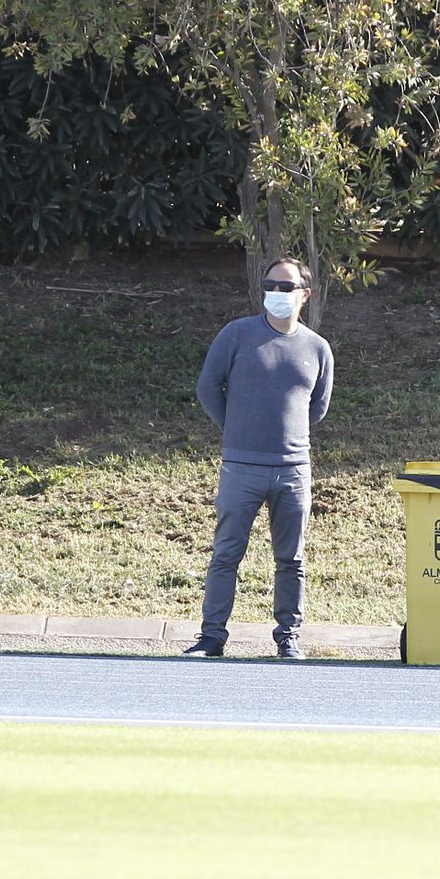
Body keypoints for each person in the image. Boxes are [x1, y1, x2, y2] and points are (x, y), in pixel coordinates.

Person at [183, 256, 335, 660]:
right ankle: (211, 637)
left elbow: (317, 408)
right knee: (226, 554)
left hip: (293, 470)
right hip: (241, 467)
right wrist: (236, 430)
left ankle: (288, 637)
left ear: (305, 294)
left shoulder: (317, 348)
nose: (276, 294)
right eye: (270, 285)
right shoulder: (237, 334)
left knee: (291, 559)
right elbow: (208, 387)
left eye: (286, 287)